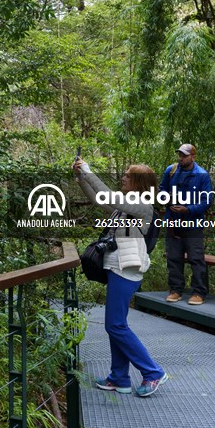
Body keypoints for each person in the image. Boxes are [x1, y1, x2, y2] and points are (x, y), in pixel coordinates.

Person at [74, 159, 169, 398]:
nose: (123, 178)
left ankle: (153, 371)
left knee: (115, 325)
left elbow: (110, 196)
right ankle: (119, 377)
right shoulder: (126, 206)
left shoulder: (143, 206)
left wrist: (89, 170)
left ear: (139, 183)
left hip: (127, 271)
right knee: (117, 326)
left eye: (128, 176)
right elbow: (99, 199)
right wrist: (81, 178)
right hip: (117, 269)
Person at [160, 143, 213, 306]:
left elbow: (207, 201)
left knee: (196, 258)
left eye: (184, 155)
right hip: (173, 221)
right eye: (180, 155)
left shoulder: (202, 175)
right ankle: (176, 290)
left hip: (193, 223)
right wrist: (165, 198)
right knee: (173, 257)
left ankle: (199, 292)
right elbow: (162, 189)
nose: (181, 158)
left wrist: (188, 209)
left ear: (193, 157)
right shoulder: (171, 171)